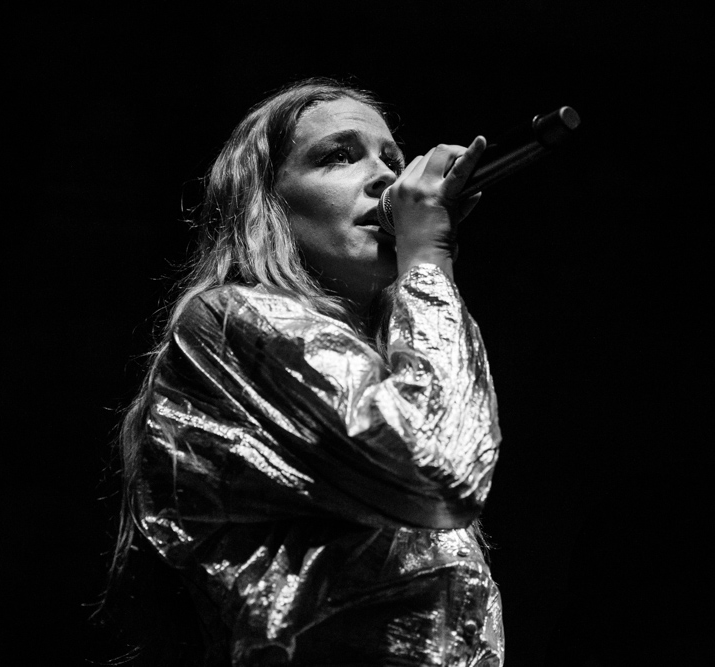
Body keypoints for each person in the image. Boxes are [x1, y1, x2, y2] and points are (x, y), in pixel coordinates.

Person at [109, 78, 503, 666]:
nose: (388, 181)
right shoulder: (229, 320)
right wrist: (428, 265)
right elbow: (439, 467)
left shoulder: (396, 359)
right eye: (338, 156)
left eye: (393, 160)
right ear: (266, 205)